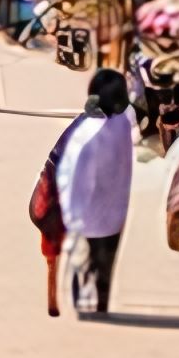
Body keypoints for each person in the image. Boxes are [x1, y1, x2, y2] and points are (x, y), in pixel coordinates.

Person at [54, 70, 137, 319]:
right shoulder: (123, 124)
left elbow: (72, 171)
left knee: (84, 256)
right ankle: (101, 304)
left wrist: (69, 210)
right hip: (115, 210)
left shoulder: (86, 129)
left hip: (86, 211)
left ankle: (83, 300)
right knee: (105, 261)